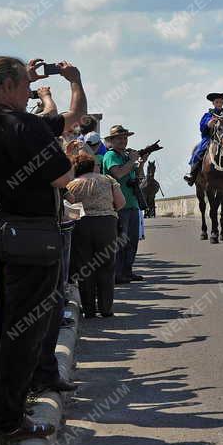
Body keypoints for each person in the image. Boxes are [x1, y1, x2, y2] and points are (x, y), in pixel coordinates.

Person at [0, 56, 74, 440]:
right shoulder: (23, 124)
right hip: (29, 239)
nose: (30, 93)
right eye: (25, 86)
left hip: (3, 231)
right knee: (23, 333)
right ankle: (8, 419)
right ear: (7, 87)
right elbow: (62, 175)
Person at [64, 152, 125, 317]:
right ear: (93, 166)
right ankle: (106, 308)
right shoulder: (108, 180)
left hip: (81, 225)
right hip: (106, 224)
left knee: (84, 268)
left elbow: (69, 209)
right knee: (106, 266)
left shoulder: (71, 184)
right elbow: (120, 203)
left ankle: (89, 309)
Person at [102, 124, 146, 283]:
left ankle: (127, 271)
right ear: (112, 141)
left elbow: (139, 177)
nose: (123, 141)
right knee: (120, 241)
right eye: (119, 138)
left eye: (125, 138)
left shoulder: (128, 156)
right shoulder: (110, 156)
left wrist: (141, 163)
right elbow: (118, 173)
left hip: (132, 204)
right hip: (118, 205)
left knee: (132, 240)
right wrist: (132, 161)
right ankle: (117, 273)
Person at [184, 92, 223, 185]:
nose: (219, 104)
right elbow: (202, 126)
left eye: (221, 102)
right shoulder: (208, 115)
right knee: (199, 151)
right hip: (210, 139)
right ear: (213, 103)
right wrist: (209, 123)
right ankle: (192, 174)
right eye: (217, 102)